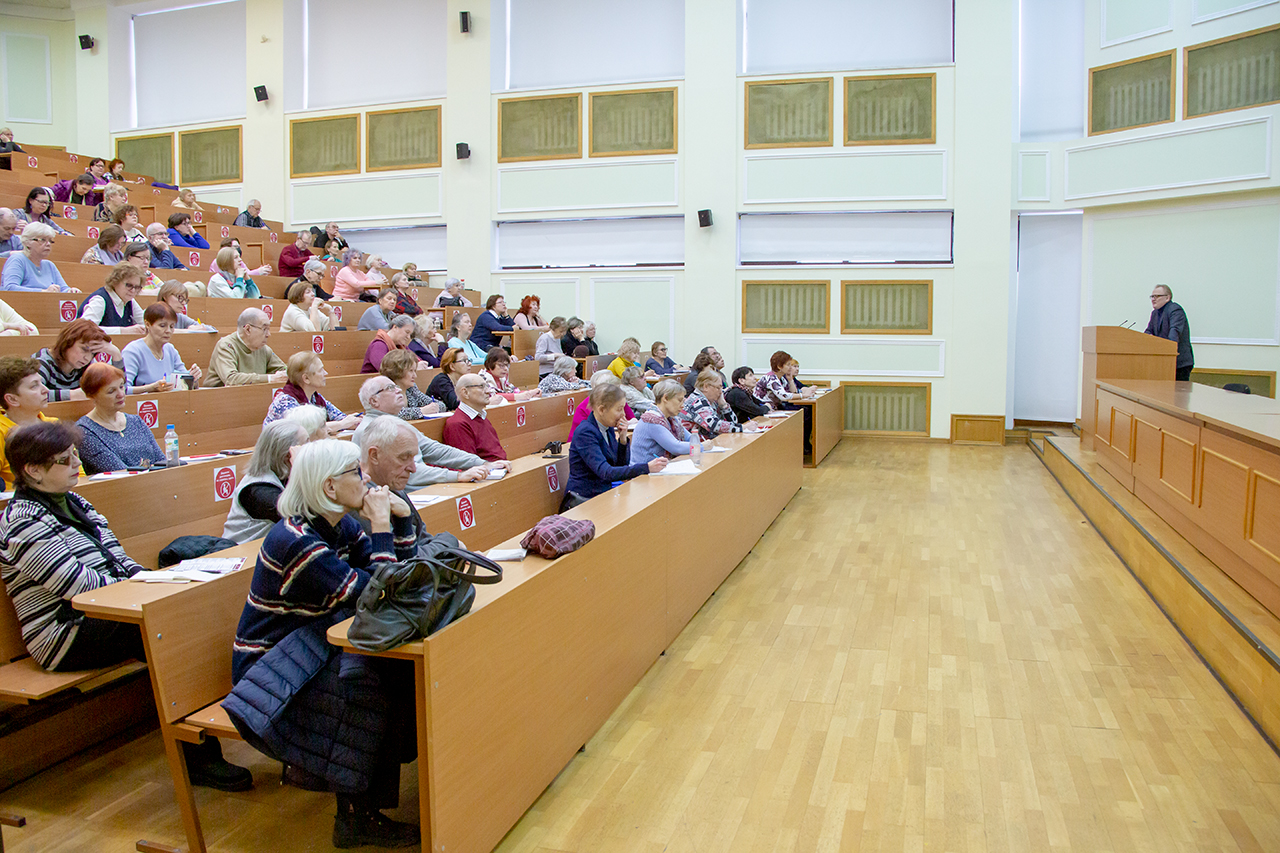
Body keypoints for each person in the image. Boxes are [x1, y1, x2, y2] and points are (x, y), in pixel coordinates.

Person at [0, 420, 255, 789]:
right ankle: (196, 753)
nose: (77, 464)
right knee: (167, 631)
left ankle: (231, 719)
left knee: (191, 612)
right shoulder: (21, 521)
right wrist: (143, 588)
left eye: (74, 455)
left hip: (108, 611)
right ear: (32, 470)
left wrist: (154, 579)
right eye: (64, 459)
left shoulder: (75, 502)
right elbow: (76, 586)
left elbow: (120, 560)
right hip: (62, 632)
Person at [226, 439, 420, 848]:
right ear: (329, 488)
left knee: (396, 671)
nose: (366, 479)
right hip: (272, 666)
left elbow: (396, 582)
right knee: (369, 684)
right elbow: (372, 595)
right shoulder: (293, 539)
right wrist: (383, 525)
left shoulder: (340, 524)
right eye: (356, 472)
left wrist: (401, 522)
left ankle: (366, 801)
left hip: (313, 645)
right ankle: (356, 817)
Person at [353, 377, 494, 488]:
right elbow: (407, 473)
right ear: (374, 401)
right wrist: (457, 476)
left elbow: (433, 449)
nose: (398, 390)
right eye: (390, 388)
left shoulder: (396, 422)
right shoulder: (371, 429)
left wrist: (480, 463)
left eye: (396, 387)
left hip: (422, 486)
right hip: (407, 493)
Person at [563, 383, 666, 509]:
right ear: (601, 410)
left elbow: (620, 466)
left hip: (603, 493)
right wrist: (646, 467)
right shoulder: (585, 432)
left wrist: (623, 440)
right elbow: (606, 472)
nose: (623, 414)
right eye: (618, 409)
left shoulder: (608, 428)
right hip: (584, 500)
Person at [222, 421, 309, 544]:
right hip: (243, 554)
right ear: (287, 456)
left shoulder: (283, 474)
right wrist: (302, 469)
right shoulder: (258, 490)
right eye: (306, 443)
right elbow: (303, 517)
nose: (312, 448)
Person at [75, 363, 166, 473]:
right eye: (111, 391)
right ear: (93, 395)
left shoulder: (136, 421)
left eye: (121, 386)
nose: (120, 394)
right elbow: (120, 473)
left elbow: (162, 461)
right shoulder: (85, 431)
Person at [263, 352, 361, 434]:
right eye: (321, 370)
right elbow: (307, 430)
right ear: (306, 378)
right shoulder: (285, 401)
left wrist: (355, 420)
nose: (325, 373)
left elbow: (340, 417)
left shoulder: (315, 397)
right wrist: (342, 424)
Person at [0, 357, 57, 488]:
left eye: (41, 383)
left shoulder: (54, 424)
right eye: (34, 386)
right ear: (12, 399)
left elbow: (78, 475)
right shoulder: (2, 431)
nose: (45, 390)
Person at [35, 319, 123, 401]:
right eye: (84, 349)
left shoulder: (87, 366)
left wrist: (116, 354)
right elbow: (33, 394)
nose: (87, 358)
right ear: (68, 342)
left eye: (92, 353)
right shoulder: (42, 362)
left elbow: (119, 393)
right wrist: (72, 395)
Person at [122, 303, 201, 393]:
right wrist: (150, 388)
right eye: (162, 326)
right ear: (148, 324)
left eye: (172, 326)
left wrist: (192, 377)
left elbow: (184, 383)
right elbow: (123, 389)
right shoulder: (133, 351)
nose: (168, 331)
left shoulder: (170, 349)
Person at [204, 308, 287, 387]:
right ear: (247, 329)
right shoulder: (226, 346)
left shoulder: (264, 349)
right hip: (219, 398)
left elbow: (284, 370)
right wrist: (270, 378)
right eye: (264, 329)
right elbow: (231, 379)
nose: (268, 334)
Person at [442, 374, 507, 462]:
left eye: (487, 386)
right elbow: (467, 465)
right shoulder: (457, 424)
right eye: (481, 387)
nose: (488, 391)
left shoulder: (481, 417)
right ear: (465, 392)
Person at [629, 380, 693, 466]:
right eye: (679, 400)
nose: (682, 405)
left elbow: (690, 438)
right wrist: (700, 446)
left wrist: (698, 443)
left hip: (659, 469)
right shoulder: (652, 420)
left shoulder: (671, 419)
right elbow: (676, 447)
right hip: (643, 474)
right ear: (665, 398)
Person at [2, 223, 75, 292]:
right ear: (27, 242)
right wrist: (43, 292)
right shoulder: (18, 259)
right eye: (42, 240)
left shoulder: (49, 265)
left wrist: (70, 291)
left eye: (50, 241)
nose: (48, 244)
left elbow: (63, 289)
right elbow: (9, 288)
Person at [77, 261, 145, 334]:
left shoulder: (130, 300)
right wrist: (123, 331)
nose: (133, 290)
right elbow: (85, 329)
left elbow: (144, 322)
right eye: (129, 285)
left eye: (137, 287)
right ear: (116, 281)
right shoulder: (100, 300)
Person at [1145, 284, 1195, 381]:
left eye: (1157, 296)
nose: (1153, 299)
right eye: (1152, 296)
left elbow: (1174, 333)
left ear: (1167, 297)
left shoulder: (1175, 310)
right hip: (1163, 362)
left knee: (1176, 394)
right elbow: (1148, 332)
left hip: (1179, 363)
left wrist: (1167, 350)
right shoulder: (1154, 313)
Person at [379, 350, 443, 418]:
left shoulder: (411, 389)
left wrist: (434, 407)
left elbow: (441, 405)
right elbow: (392, 414)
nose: (415, 376)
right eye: (411, 371)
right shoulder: (386, 390)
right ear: (397, 370)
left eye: (414, 371)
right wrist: (421, 411)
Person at [681, 368, 742, 440]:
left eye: (721, 388)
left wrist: (724, 405)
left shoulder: (713, 401)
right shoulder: (697, 401)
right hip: (693, 446)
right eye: (718, 388)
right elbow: (714, 426)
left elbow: (733, 422)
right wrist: (742, 427)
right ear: (705, 387)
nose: (721, 392)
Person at [571, 371, 634, 437]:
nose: (623, 413)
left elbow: (633, 419)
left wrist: (623, 441)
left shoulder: (617, 401)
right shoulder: (588, 406)